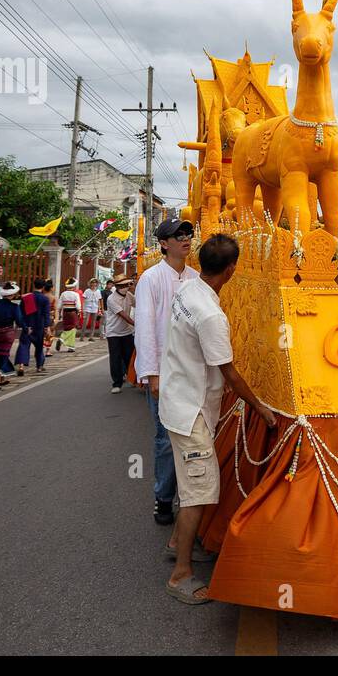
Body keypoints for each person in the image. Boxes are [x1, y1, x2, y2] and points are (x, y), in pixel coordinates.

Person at [159, 234, 276, 604]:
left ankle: (179, 542)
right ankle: (181, 575)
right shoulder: (211, 315)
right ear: (231, 270)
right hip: (190, 409)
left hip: (177, 400)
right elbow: (230, 373)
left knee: (191, 483)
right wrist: (259, 406)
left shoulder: (187, 290)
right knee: (198, 491)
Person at [135, 218, 199, 525]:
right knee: (165, 438)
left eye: (188, 234)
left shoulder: (196, 278)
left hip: (191, 372)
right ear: (164, 244)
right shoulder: (150, 279)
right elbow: (145, 328)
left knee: (191, 436)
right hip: (164, 372)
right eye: (178, 235)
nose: (186, 239)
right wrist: (152, 374)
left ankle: (189, 498)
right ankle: (163, 497)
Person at [0, 283, 24, 386]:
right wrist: (26, 327)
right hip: (8, 333)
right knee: (4, 354)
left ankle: (3, 378)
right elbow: (19, 321)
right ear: (12, 295)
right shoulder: (14, 306)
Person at [105, 274, 136, 394]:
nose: (125, 287)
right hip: (114, 333)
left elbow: (140, 304)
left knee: (129, 356)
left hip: (127, 332)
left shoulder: (129, 296)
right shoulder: (111, 299)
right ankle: (117, 383)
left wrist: (134, 290)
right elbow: (123, 315)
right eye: (122, 285)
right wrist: (136, 324)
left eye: (126, 285)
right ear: (117, 286)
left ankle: (131, 377)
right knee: (115, 358)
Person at [16, 277, 52, 376]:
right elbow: (46, 314)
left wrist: (22, 324)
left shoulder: (26, 297)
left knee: (24, 345)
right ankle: (39, 366)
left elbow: (21, 313)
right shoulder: (44, 299)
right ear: (43, 287)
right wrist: (47, 327)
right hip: (39, 326)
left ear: (33, 285)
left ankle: (21, 366)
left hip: (27, 325)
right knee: (39, 346)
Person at [55, 279, 82, 351]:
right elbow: (78, 306)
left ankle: (71, 347)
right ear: (73, 286)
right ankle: (62, 339)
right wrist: (79, 312)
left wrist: (59, 313)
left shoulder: (63, 293)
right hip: (73, 312)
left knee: (67, 327)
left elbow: (59, 305)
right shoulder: (75, 294)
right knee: (73, 328)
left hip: (65, 312)